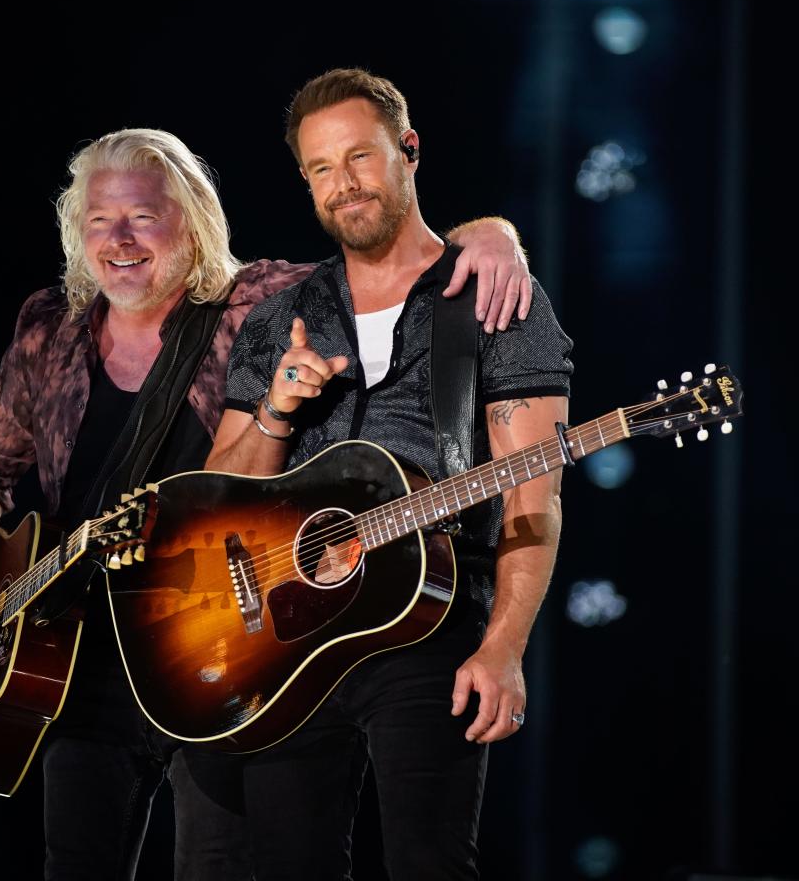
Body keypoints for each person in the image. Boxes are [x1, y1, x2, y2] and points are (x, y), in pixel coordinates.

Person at [0, 125, 534, 880]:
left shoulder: (260, 302)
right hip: (73, 651)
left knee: (220, 864)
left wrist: (491, 235)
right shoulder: (48, 326)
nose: (120, 239)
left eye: (144, 216)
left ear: (193, 220)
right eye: (98, 221)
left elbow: (386, 255)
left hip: (215, 646)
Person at [204, 69, 574, 880]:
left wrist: (505, 647)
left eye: (361, 158)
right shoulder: (278, 319)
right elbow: (218, 495)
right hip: (288, 639)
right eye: (322, 170)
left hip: (429, 621)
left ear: (409, 152)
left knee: (429, 863)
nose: (345, 185)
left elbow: (531, 498)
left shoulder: (494, 295)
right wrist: (275, 410)